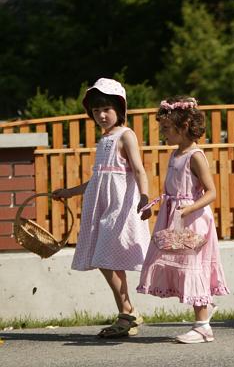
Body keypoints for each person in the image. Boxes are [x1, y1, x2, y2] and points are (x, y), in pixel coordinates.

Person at [52, 78, 150, 338]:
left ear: (119, 109)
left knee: (104, 258)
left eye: (106, 109)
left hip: (119, 208)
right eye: (96, 111)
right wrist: (69, 192)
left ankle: (127, 312)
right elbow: (98, 179)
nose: (101, 115)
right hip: (101, 207)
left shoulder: (125, 136)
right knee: (106, 260)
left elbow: (139, 170)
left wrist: (144, 196)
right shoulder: (104, 139)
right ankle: (127, 312)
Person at [136, 96, 229, 344]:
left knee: (192, 266)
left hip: (192, 220)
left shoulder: (195, 156)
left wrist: (189, 209)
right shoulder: (176, 153)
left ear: (184, 126)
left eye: (167, 128)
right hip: (175, 216)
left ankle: (203, 327)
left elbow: (211, 192)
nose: (163, 133)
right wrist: (154, 207)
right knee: (179, 265)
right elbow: (173, 189)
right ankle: (205, 308)